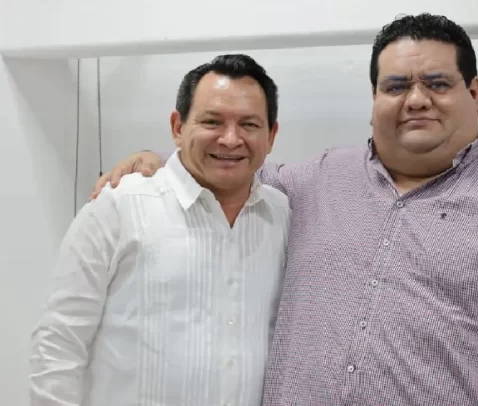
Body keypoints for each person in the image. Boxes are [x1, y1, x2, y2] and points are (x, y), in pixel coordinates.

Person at [91, 13, 478, 405]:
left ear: (474, 92)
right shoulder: (314, 180)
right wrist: (156, 161)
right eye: (396, 85)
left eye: (437, 83)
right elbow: (229, 172)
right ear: (374, 99)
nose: (415, 99)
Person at [30, 54, 290, 406]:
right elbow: (59, 342)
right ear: (178, 127)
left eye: (249, 125)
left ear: (271, 136)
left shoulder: (283, 216)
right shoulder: (119, 206)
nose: (231, 139)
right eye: (212, 121)